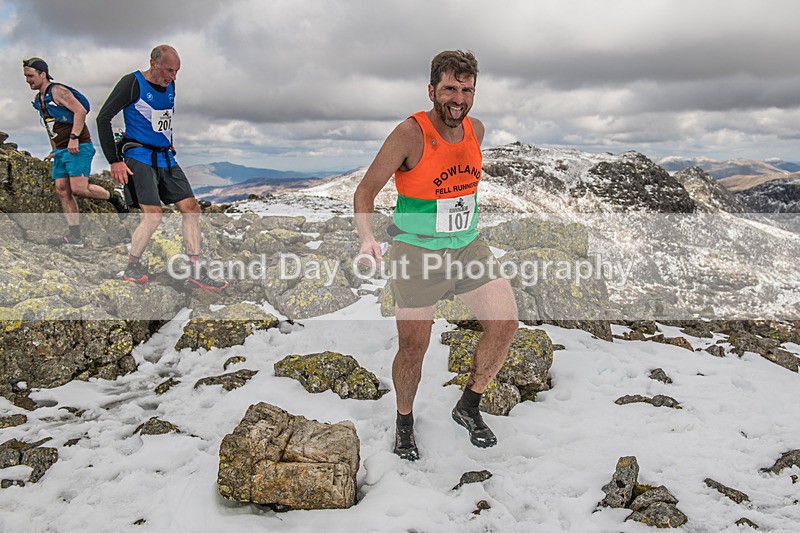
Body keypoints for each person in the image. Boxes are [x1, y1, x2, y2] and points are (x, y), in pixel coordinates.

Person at [354, 51, 519, 460]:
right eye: (449, 88)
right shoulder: (410, 133)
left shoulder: (475, 130)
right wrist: (366, 237)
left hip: (466, 246)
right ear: (432, 90)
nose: (458, 98)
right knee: (414, 347)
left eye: (466, 90)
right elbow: (365, 190)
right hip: (417, 253)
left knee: (505, 323)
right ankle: (405, 421)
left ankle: (468, 405)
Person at [96, 44, 227, 290]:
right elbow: (103, 118)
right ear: (153, 63)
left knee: (192, 209)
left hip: (165, 157)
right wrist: (114, 160)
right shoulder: (132, 83)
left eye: (177, 71)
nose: (173, 77)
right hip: (138, 156)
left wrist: (170, 141)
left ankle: (196, 271)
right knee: (153, 216)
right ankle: (132, 265)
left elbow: (165, 116)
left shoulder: (171, 86)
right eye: (169, 70)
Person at [23, 57, 121, 246]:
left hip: (78, 147)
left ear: (43, 74)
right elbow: (50, 126)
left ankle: (114, 197)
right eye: (26, 76)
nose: (28, 80)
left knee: (78, 189)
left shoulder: (58, 91)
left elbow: (80, 111)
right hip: (61, 151)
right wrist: (54, 150)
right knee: (62, 190)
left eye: (31, 76)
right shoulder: (40, 100)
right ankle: (75, 236)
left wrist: (74, 137)